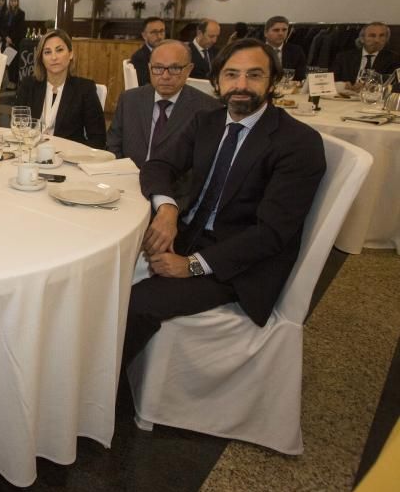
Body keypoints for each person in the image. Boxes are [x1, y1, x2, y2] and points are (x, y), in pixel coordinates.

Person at [124, 38, 326, 366]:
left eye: (254, 75)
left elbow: (272, 233)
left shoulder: (298, 143)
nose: (241, 85)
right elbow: (159, 165)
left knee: (134, 302)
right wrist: (167, 209)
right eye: (232, 75)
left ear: (272, 81)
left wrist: (192, 265)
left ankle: (104, 391)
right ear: (217, 81)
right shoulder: (208, 122)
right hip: (189, 233)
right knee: (105, 271)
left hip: (240, 266)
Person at [108, 39, 219, 173]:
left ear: (188, 70)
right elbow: (113, 145)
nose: (165, 76)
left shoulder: (208, 109)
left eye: (174, 68)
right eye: (158, 68)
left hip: (174, 188)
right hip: (128, 179)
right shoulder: (130, 99)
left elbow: (202, 166)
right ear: (150, 68)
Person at [14, 29, 106, 148]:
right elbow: (17, 126)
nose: (54, 57)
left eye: (59, 50)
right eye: (47, 52)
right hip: (31, 153)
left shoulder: (85, 89)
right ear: (41, 58)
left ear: (71, 54)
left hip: (68, 159)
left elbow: (98, 138)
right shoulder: (28, 85)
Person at [330, 22, 399, 86]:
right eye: (372, 36)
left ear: (386, 39)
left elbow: (394, 84)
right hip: (347, 96)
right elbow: (331, 81)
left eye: (382, 36)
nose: (377, 40)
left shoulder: (394, 59)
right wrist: (344, 85)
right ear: (362, 38)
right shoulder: (344, 57)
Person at [263, 16, 306, 80]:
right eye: (276, 30)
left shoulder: (296, 51)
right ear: (266, 33)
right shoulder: (256, 50)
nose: (281, 33)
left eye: (284, 30)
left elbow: (301, 77)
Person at [129, 17, 168, 87]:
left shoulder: (168, 54)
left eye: (162, 31)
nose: (159, 36)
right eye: (154, 32)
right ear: (144, 36)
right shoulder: (139, 57)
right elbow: (144, 85)